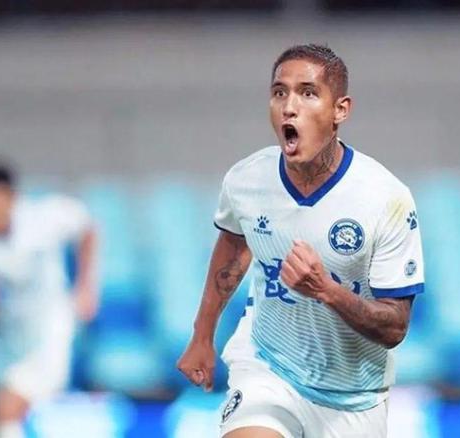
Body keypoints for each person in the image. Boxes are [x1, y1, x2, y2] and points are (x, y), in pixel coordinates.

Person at [177, 44, 425, 438]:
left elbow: (395, 327)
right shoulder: (246, 181)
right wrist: (202, 335)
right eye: (280, 92)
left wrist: (326, 290)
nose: (289, 107)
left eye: (308, 93)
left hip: (353, 395)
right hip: (267, 367)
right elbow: (234, 247)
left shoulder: (386, 198)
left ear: (340, 110)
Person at [0, 163, 99, 438]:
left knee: (8, 409)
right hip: (6, 346)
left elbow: (87, 228)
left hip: (48, 337)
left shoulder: (44, 218)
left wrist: (86, 287)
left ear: (12, 197)